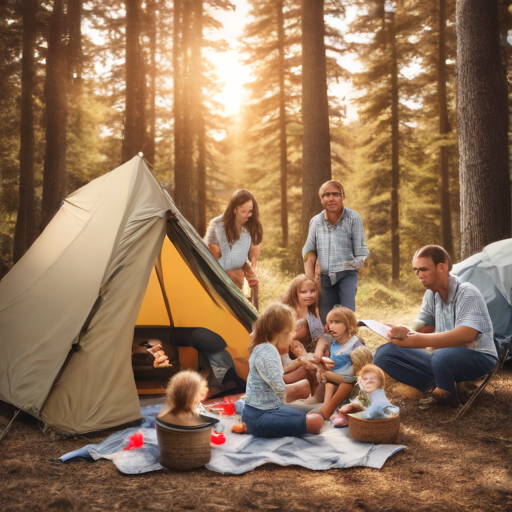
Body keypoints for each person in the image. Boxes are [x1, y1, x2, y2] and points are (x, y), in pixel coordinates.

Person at [373, 245, 498, 409]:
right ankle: (437, 386)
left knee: (441, 356)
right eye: (416, 270)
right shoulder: (431, 294)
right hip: (442, 358)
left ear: (442, 267)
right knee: (384, 353)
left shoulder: (467, 292)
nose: (419, 275)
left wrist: (416, 339)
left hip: (477, 357)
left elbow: (467, 334)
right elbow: (425, 324)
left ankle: (448, 397)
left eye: (424, 269)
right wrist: (401, 330)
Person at [242, 303, 325, 437]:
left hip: (267, 409)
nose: (292, 336)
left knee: (308, 413)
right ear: (275, 333)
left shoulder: (267, 349)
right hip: (260, 417)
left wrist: (304, 362)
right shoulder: (266, 354)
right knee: (317, 421)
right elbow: (280, 389)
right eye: (288, 333)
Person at [302, 180, 369, 323]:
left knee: (346, 315)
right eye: (326, 195)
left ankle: (351, 342)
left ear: (343, 197)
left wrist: (352, 265)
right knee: (327, 319)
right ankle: (330, 344)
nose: (331, 198)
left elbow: (361, 251)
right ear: (321, 199)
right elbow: (309, 252)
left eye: (336, 194)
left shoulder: (354, 218)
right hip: (325, 278)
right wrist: (310, 282)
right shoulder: (316, 222)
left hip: (347, 274)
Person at [302, 306, 366, 419]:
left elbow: (362, 363)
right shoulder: (335, 343)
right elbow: (323, 340)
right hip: (335, 376)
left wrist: (322, 365)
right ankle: (323, 405)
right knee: (328, 381)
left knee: (331, 379)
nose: (331, 326)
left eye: (336, 322)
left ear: (349, 324)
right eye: (329, 323)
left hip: (350, 379)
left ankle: (327, 407)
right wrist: (319, 357)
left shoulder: (355, 344)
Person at [205, 189, 263, 290]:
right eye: (243, 211)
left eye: (250, 211)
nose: (248, 215)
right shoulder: (216, 225)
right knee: (234, 273)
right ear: (234, 210)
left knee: (239, 273)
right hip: (216, 268)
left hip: (238, 269)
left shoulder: (253, 225)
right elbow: (215, 256)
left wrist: (253, 273)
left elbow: (254, 256)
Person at [332, 364, 399, 427]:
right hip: (369, 419)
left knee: (374, 411)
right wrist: (351, 406)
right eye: (365, 379)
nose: (368, 381)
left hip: (383, 419)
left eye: (372, 379)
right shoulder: (364, 393)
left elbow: (380, 409)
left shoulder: (380, 393)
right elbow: (360, 404)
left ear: (379, 383)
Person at [281, 274, 325, 346]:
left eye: (312, 291)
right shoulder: (285, 313)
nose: (309, 295)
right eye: (304, 292)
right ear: (295, 293)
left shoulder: (317, 310)